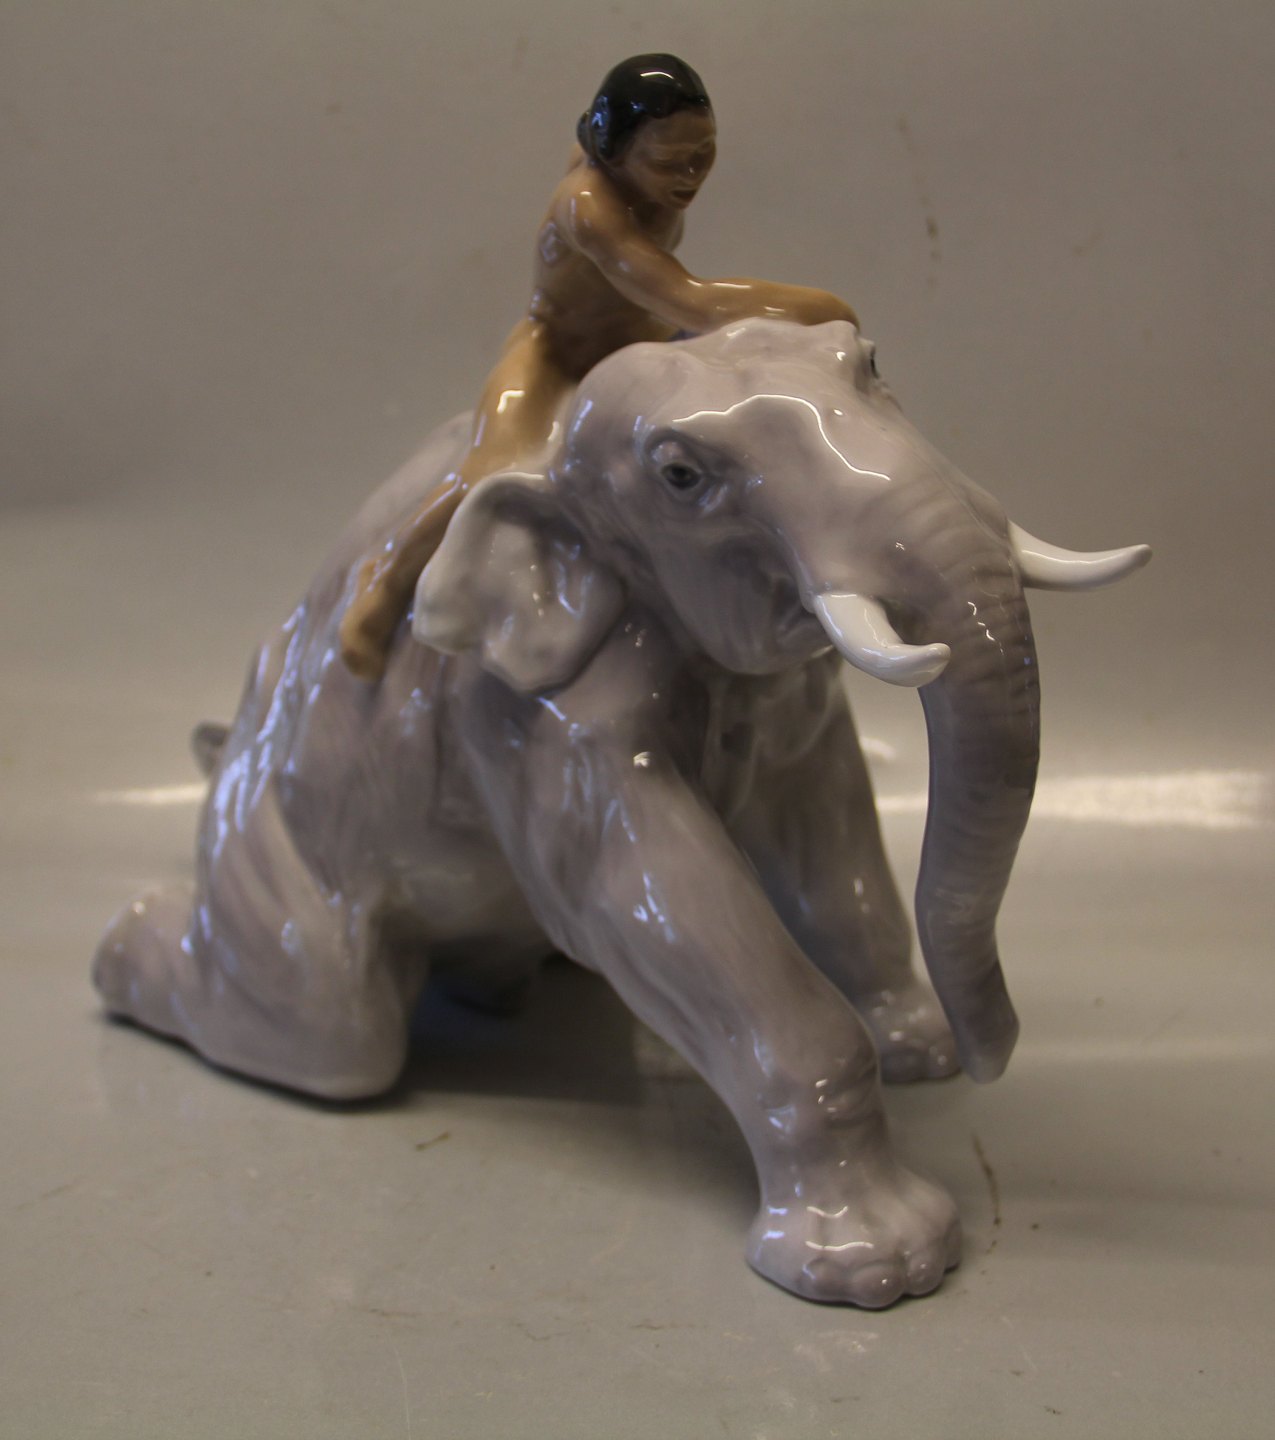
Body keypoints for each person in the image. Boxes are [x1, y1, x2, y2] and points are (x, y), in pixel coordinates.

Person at [339, 54, 859, 680]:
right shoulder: (587, 205)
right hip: (557, 348)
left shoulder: (643, 181)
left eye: (704, 153)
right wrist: (824, 308)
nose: (691, 175)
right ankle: (384, 582)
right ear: (613, 152)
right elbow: (689, 299)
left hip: (641, 342)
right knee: (486, 469)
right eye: (668, 161)